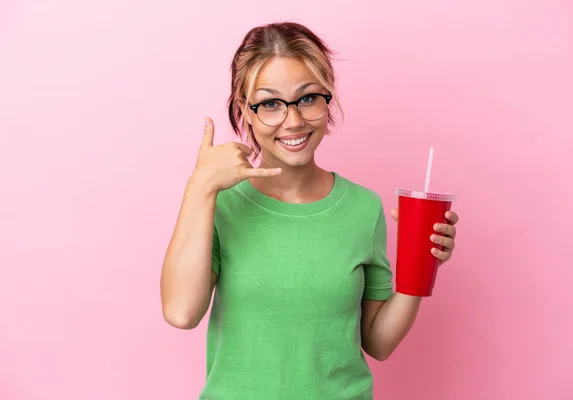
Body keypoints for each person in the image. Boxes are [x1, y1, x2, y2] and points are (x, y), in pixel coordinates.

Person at [160, 21, 459, 400]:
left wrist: (422, 266)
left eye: (308, 98)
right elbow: (181, 313)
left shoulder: (363, 208)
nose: (294, 120)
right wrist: (200, 186)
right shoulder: (222, 204)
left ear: (327, 98)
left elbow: (378, 343)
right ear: (245, 111)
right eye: (270, 103)